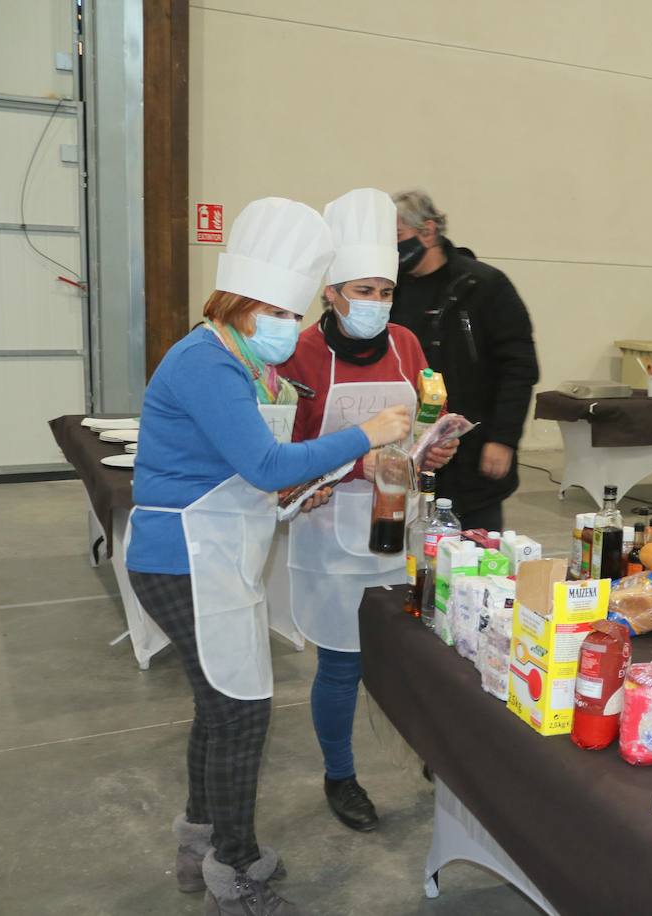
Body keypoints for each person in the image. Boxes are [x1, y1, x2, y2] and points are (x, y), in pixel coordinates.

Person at [125, 198, 412, 915]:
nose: (288, 328)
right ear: (242, 307)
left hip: (210, 549)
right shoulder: (207, 365)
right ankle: (234, 869)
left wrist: (296, 491)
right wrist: (365, 435)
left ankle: (202, 844)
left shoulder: (225, 358)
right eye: (277, 315)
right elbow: (259, 461)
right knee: (241, 712)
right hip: (183, 556)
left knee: (220, 709)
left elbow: (235, 473)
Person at [280, 188, 458, 833]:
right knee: (342, 661)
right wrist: (356, 463)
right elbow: (284, 451)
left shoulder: (407, 345)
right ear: (331, 292)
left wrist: (429, 453)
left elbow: (416, 426)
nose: (377, 305)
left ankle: (438, 753)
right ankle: (340, 774)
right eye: (363, 291)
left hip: (395, 521)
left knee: (412, 651)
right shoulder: (297, 354)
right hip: (327, 528)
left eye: (386, 291)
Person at [390, 189, 539, 531]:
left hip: (472, 457)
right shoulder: (389, 290)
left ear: (427, 231)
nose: (390, 249)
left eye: (397, 237)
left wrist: (503, 438)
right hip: (408, 453)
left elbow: (519, 368)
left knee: (474, 560)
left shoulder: (484, 286)